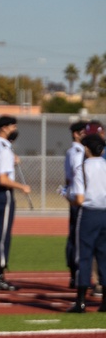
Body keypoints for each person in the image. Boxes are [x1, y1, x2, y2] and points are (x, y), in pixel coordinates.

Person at [0, 115, 30, 291]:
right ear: (4, 128)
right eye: (13, 127)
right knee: (2, 236)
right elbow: (3, 178)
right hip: (3, 194)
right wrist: (22, 187)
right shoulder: (3, 149)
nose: (15, 130)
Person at [68, 133, 106, 313]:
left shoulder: (82, 168)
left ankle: (81, 301)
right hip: (105, 213)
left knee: (84, 255)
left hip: (89, 214)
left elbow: (80, 199)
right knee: (104, 256)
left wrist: (69, 196)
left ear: (86, 149)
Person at [65, 121, 88, 287]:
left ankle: (75, 274)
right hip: (79, 199)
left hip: (76, 197)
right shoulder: (77, 152)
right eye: (83, 132)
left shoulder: (72, 152)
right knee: (78, 238)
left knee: (75, 236)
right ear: (76, 134)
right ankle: (76, 274)